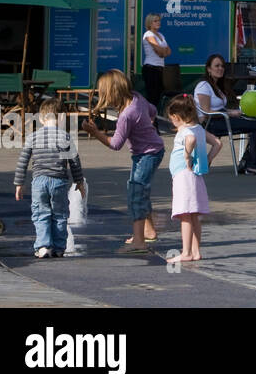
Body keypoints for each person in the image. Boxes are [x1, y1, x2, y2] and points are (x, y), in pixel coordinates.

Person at [82, 70, 164, 253]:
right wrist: (146, 126)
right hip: (153, 150)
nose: (102, 97)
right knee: (141, 189)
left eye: (103, 93)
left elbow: (116, 144)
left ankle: (139, 242)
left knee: (136, 193)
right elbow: (153, 110)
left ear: (112, 93)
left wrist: (95, 133)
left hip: (147, 155)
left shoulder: (126, 115)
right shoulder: (137, 97)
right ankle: (149, 231)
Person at [13, 96, 85, 259]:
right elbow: (74, 162)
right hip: (59, 181)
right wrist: (79, 182)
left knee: (41, 214)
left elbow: (22, 161)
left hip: (39, 182)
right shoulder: (65, 137)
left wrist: (19, 183)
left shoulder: (33, 137)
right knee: (60, 215)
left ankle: (44, 246)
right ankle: (59, 247)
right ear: (61, 117)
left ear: (41, 118)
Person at [166, 95, 221, 263]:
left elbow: (190, 140)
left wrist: (187, 154)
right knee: (194, 215)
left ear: (176, 117)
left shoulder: (186, 131)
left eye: (172, 119)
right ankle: (196, 251)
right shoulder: (199, 128)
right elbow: (218, 143)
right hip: (196, 176)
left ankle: (186, 252)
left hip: (184, 176)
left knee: (185, 215)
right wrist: (209, 158)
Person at [195, 54, 256, 174]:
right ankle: (254, 166)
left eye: (222, 66)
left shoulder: (217, 86)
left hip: (222, 119)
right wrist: (230, 113)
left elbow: (221, 108)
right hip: (211, 123)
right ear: (209, 69)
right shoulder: (203, 86)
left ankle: (250, 161)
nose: (220, 68)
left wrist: (234, 112)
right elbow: (207, 111)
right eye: (216, 66)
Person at [140, 13, 170, 110]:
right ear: (150, 23)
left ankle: (154, 118)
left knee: (158, 95)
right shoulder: (148, 34)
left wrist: (163, 52)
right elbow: (159, 51)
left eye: (159, 20)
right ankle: (150, 119)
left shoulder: (160, 35)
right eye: (155, 21)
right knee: (152, 97)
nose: (158, 22)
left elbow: (168, 51)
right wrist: (162, 51)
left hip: (159, 68)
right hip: (151, 68)